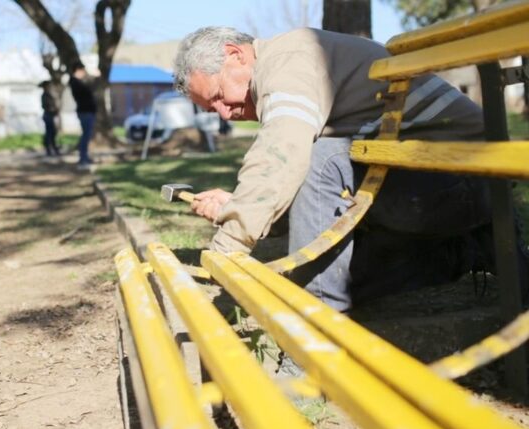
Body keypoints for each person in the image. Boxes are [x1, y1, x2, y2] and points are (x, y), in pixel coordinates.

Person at [174, 26, 528, 312]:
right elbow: (292, 178)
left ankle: (315, 332)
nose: (224, 112)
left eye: (219, 95)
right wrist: (239, 204)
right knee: (334, 278)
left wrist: (229, 243)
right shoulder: (287, 66)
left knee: (321, 159)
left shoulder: (287, 60)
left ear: (235, 55)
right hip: (429, 180)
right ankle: (462, 250)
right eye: (211, 110)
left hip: (469, 178)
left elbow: (282, 151)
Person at [68, 62, 96, 168]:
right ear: (78, 70)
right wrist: (93, 78)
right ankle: (83, 158)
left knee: (86, 135)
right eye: (83, 70)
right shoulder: (76, 83)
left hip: (86, 111)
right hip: (85, 111)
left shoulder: (78, 82)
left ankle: (85, 157)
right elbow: (87, 91)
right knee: (85, 135)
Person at [39, 81, 61, 157]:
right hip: (48, 115)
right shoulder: (45, 95)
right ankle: (49, 149)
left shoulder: (49, 94)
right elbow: (45, 106)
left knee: (53, 133)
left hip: (51, 115)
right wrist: (53, 109)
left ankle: (53, 148)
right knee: (49, 133)